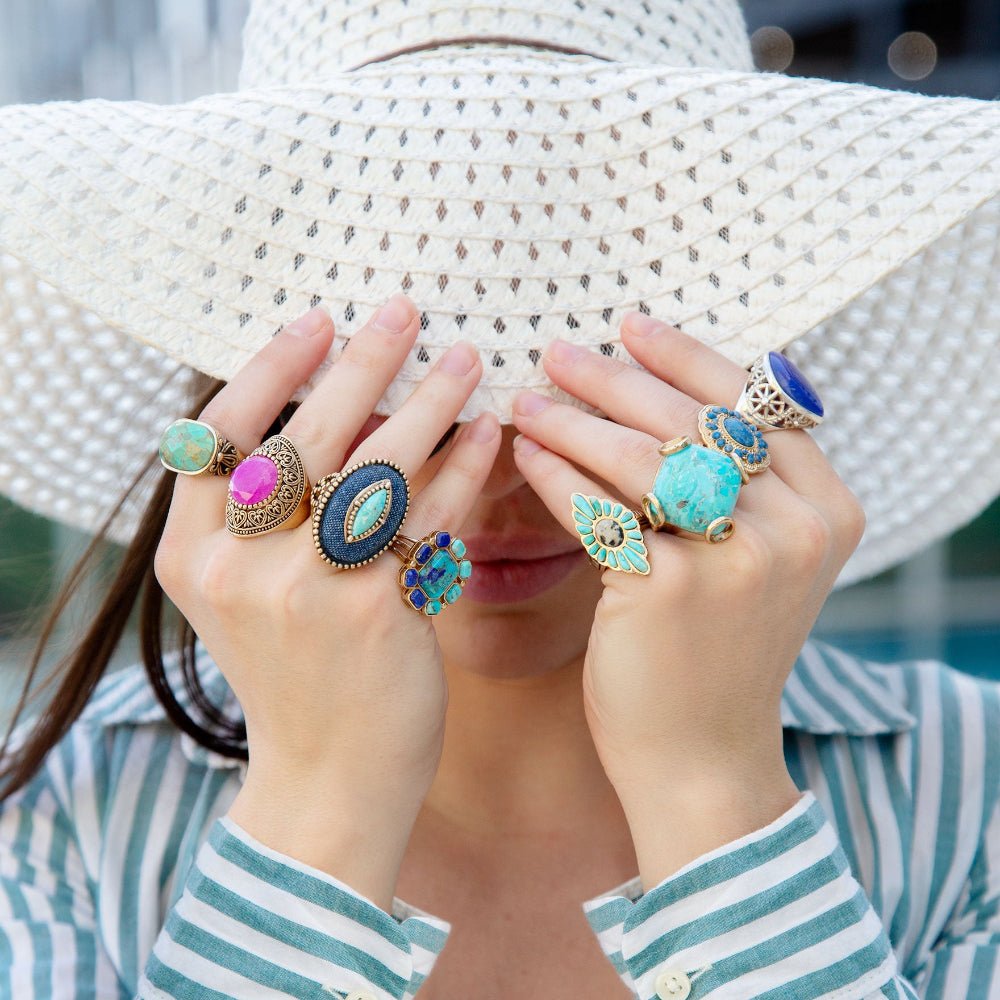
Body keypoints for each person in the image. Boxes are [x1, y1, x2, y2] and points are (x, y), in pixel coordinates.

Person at [1, 1, 999, 998]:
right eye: (411, 390)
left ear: (724, 383)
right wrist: (317, 808)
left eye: (582, 380)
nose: (502, 475)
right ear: (273, 400)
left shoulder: (974, 787)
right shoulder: (69, 812)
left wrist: (711, 793)